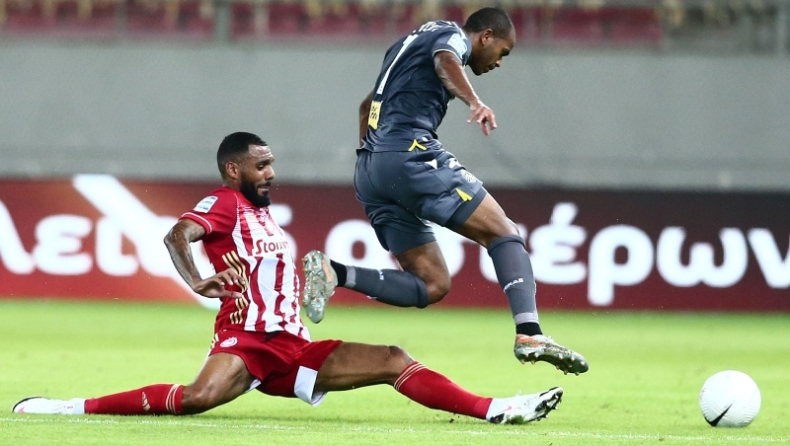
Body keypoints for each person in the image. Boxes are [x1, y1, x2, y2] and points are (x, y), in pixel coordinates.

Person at [12, 132, 564, 424]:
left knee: (393, 358)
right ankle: (70, 408)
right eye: (262, 165)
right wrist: (197, 280)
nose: (271, 173)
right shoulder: (225, 202)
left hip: (290, 345)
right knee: (198, 398)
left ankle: (496, 409)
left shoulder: (262, 214)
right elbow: (177, 235)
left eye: (272, 163)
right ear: (234, 169)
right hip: (248, 339)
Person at [302, 7, 588, 375]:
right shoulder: (450, 36)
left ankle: (335, 273)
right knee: (504, 233)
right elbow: (446, 60)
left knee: (432, 284)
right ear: (485, 37)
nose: (499, 62)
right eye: (502, 52)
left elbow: (365, 106)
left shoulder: (409, 43)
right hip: (409, 153)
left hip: (371, 169)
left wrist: (376, 159)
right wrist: (475, 101)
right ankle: (530, 333)